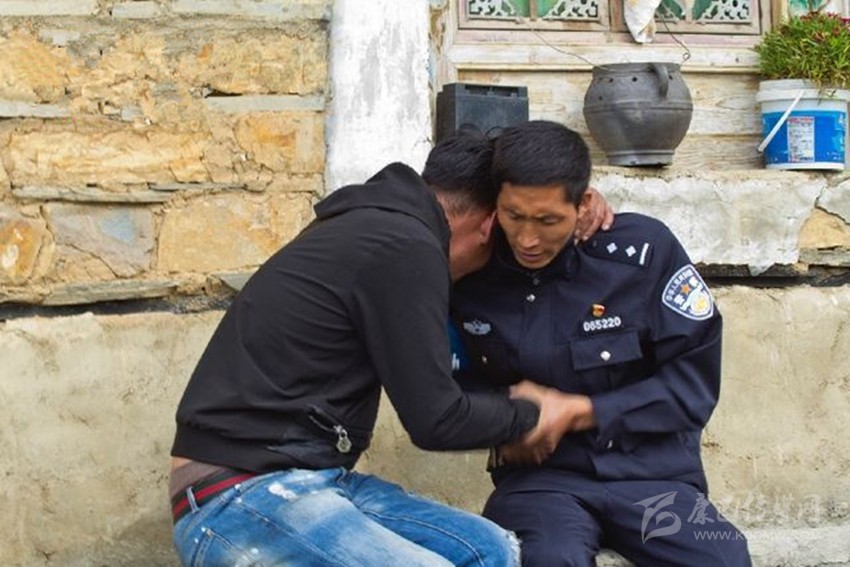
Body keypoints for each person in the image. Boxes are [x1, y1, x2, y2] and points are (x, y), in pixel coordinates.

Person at [169, 129, 611, 567]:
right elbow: (436, 420)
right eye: (514, 226)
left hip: (312, 480)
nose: (521, 246)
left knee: (491, 550)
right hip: (234, 495)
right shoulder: (405, 246)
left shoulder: (383, 225)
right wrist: (535, 413)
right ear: (491, 223)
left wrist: (578, 204)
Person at [450, 120, 752, 566]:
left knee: (722, 557)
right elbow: (451, 388)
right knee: (549, 559)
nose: (527, 239)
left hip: (654, 482)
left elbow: (692, 390)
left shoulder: (643, 254)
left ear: (585, 203)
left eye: (548, 220)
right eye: (514, 216)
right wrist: (503, 425)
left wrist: (579, 411)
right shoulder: (472, 273)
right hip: (541, 485)